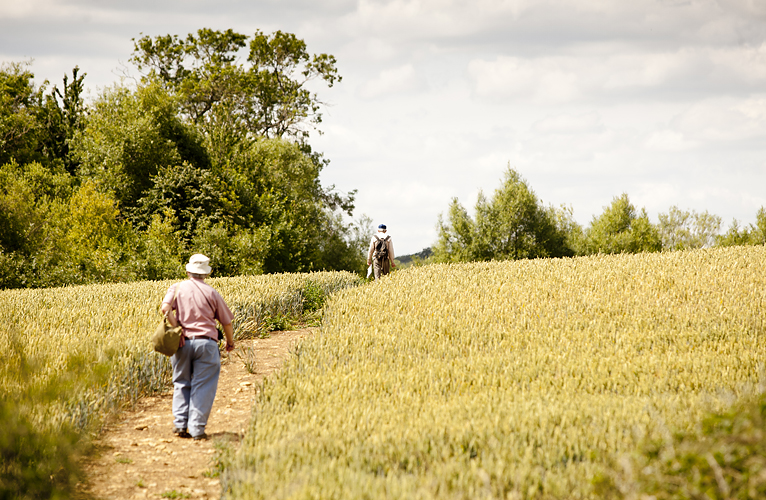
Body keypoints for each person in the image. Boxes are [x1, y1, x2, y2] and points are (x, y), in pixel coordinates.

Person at [161, 254, 235, 440]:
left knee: (181, 382)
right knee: (203, 385)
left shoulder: (177, 288)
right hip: (206, 344)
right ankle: (197, 429)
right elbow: (226, 322)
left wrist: (178, 329)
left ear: (188, 271)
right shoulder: (212, 293)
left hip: (182, 344)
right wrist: (230, 341)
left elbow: (165, 309)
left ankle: (180, 424)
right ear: (206, 274)